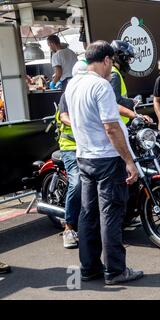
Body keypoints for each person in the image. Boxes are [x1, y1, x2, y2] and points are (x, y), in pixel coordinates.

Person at [65, 40, 143, 285]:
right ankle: (116, 271)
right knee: (110, 214)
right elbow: (111, 127)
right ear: (107, 59)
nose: (113, 68)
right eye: (112, 62)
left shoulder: (72, 84)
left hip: (84, 156)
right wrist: (128, 161)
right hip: (106, 158)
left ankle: (89, 269)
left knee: (88, 214)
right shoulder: (101, 86)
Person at [55, 60, 88, 249]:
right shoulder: (68, 93)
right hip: (70, 146)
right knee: (77, 182)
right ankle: (68, 228)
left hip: (89, 146)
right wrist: (77, 123)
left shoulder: (91, 91)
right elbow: (63, 116)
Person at [110, 40, 151, 125]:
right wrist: (132, 102)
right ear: (120, 57)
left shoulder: (114, 72)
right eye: (127, 58)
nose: (128, 61)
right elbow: (115, 102)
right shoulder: (115, 75)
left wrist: (128, 100)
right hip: (120, 122)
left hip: (121, 120)